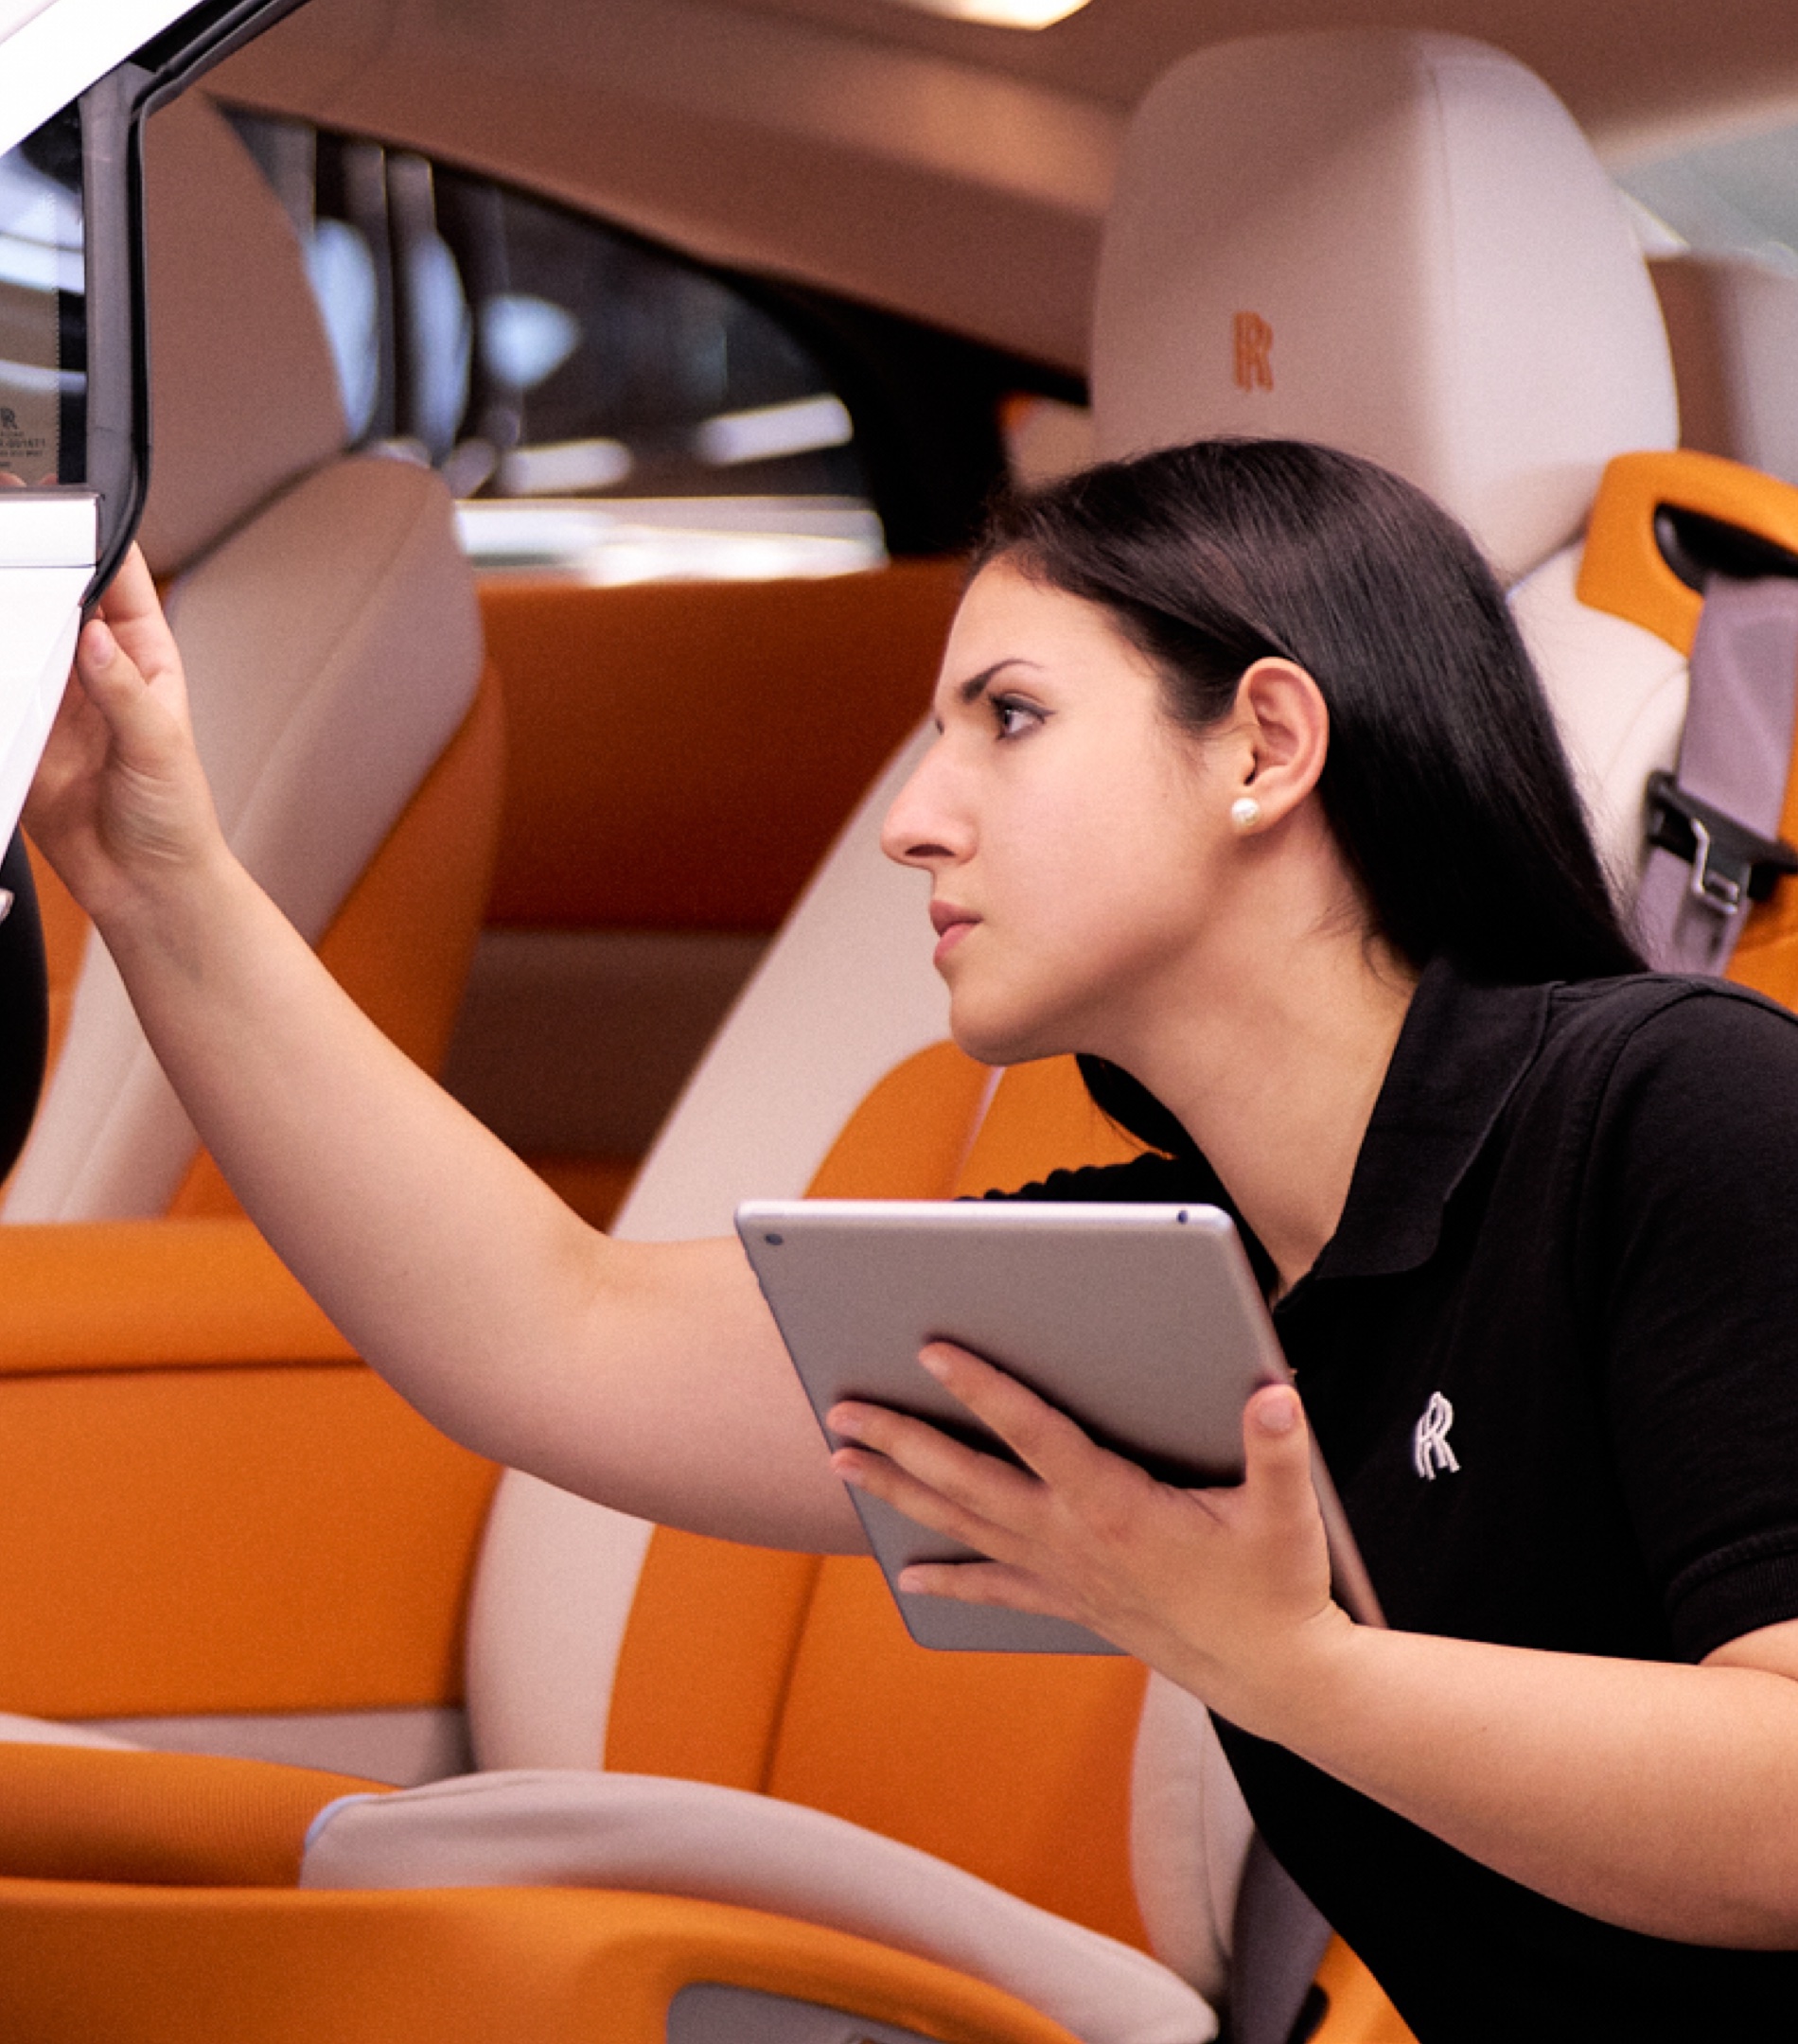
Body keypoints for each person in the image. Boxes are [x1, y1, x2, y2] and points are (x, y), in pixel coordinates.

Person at [26, 436, 1798, 2036]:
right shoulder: (1177, 1281)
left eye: (1008, 719)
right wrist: (159, 874)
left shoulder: (1678, 1115)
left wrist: (1292, 1673)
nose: (910, 820)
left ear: (1264, 745)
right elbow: (546, 1330)